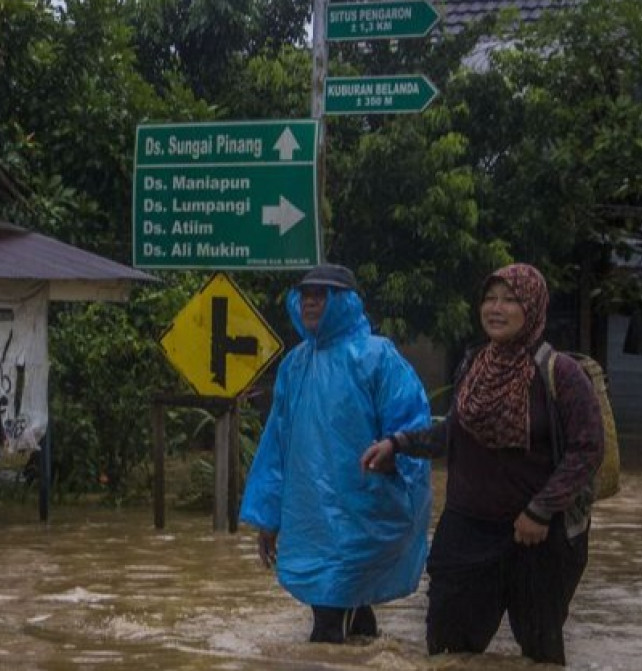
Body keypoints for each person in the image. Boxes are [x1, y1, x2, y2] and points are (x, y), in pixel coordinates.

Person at [361, 263, 603, 666]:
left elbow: (587, 449)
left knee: (540, 656)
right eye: (490, 298)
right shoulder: (474, 364)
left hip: (537, 541)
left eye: (510, 300)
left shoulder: (562, 373)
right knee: (447, 651)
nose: (497, 308)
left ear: (533, 307)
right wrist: (398, 442)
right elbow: (455, 432)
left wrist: (540, 511)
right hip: (466, 534)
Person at [240, 263, 433, 644]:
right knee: (351, 622)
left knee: (328, 630)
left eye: (321, 295)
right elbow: (276, 445)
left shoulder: (377, 357)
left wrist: (396, 467)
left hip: (364, 517)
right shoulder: (294, 365)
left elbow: (413, 431)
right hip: (311, 522)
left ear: (343, 302)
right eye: (306, 295)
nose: (311, 303)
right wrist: (268, 516)